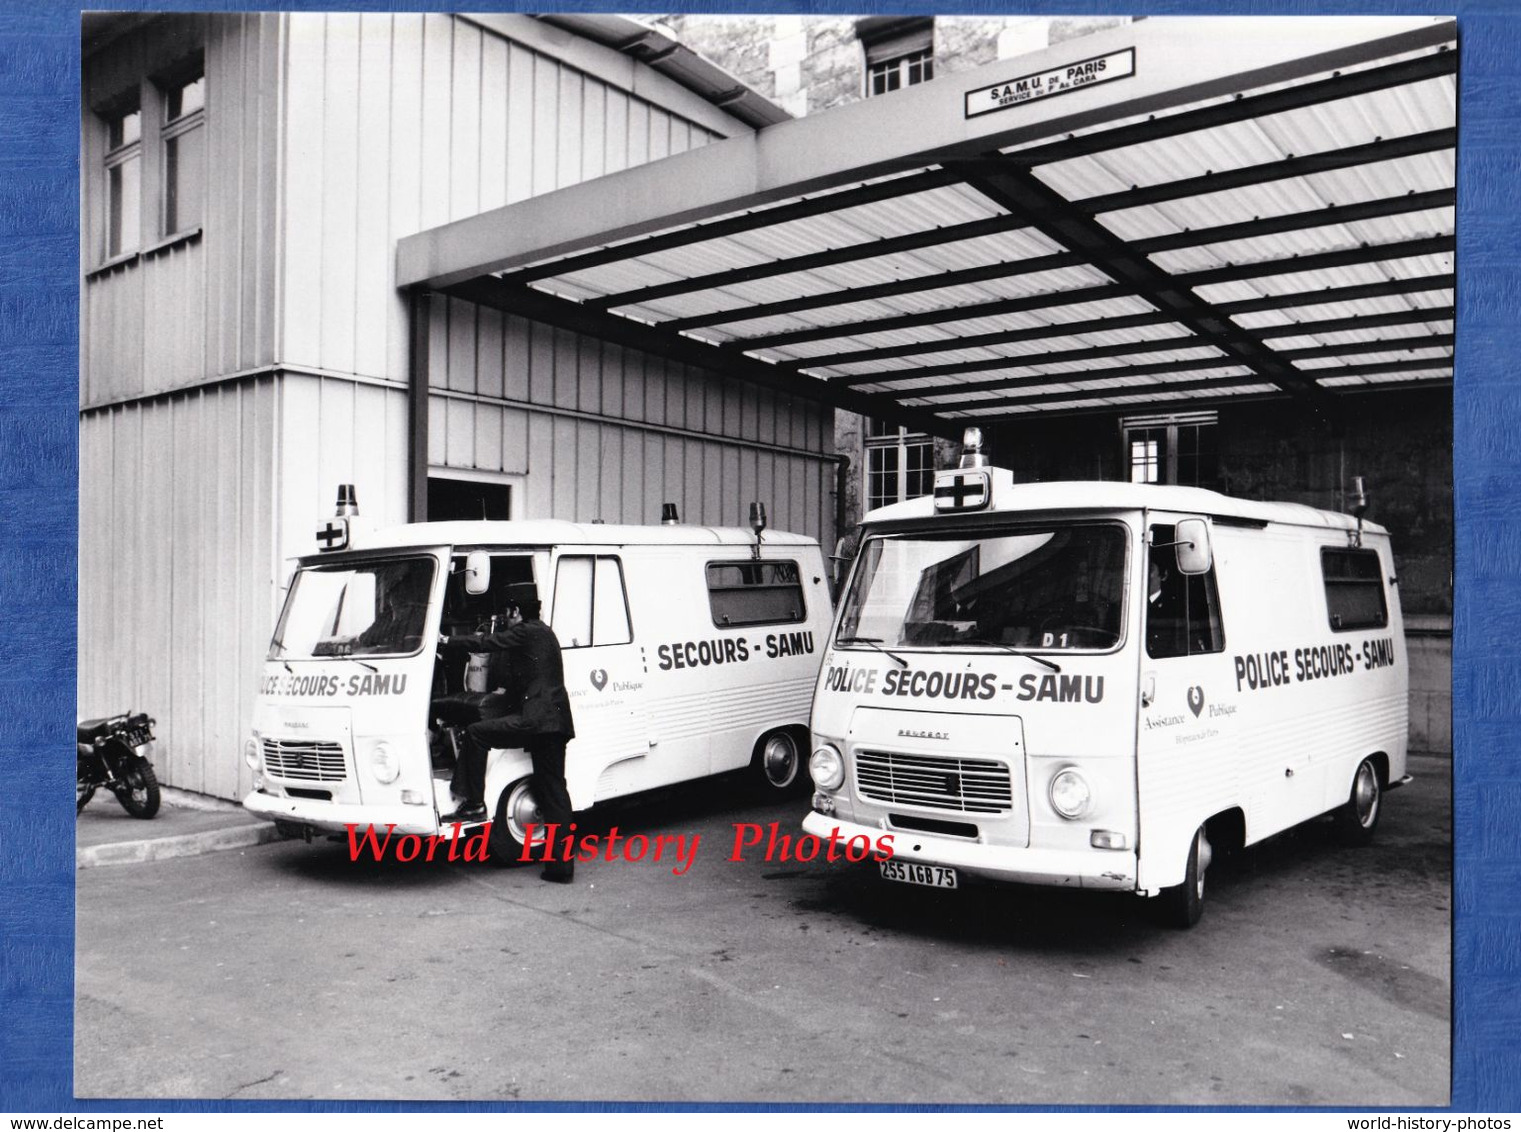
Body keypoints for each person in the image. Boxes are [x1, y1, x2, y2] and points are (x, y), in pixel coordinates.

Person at [438, 595, 578, 883]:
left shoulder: (525, 631)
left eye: (507, 614)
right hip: (556, 723)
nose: (505, 620)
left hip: (536, 721)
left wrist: (446, 641)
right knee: (554, 791)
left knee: (477, 733)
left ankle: (474, 801)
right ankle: (561, 867)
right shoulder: (546, 633)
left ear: (515, 611)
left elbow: (485, 643)